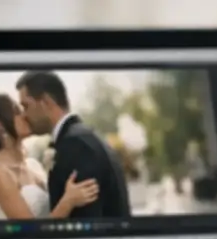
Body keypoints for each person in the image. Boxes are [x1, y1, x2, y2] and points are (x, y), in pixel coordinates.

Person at [0, 94, 99, 220]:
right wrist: (68, 202)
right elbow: (32, 233)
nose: (24, 116)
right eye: (16, 112)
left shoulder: (32, 165)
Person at [16, 71, 132, 220]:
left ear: (45, 102)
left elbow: (87, 218)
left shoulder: (76, 145)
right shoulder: (82, 137)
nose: (24, 115)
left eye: (26, 106)